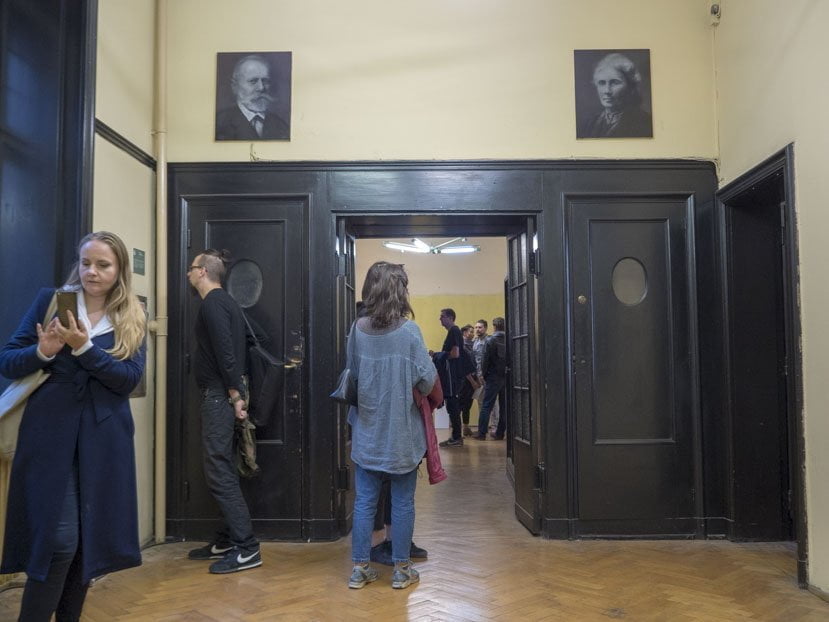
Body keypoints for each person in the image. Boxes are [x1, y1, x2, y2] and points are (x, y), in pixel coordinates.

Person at [0, 231, 146, 621]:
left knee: (86, 547)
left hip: (105, 439)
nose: (92, 272)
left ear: (119, 270)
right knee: (59, 543)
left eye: (103, 265)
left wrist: (84, 348)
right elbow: (8, 360)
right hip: (48, 435)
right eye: (85, 263)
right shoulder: (52, 301)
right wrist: (42, 351)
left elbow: (128, 380)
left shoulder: (132, 314)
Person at [347, 261, 436, 590]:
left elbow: (352, 375)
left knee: (364, 501)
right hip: (402, 433)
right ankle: (401, 569)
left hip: (367, 430)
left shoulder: (357, 329)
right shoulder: (410, 332)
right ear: (400, 291)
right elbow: (427, 381)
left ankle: (360, 568)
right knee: (402, 502)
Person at [186, 248, 261, 574]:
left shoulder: (213, 303)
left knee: (219, 471)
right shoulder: (228, 302)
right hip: (224, 394)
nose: (188, 273)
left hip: (220, 397)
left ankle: (247, 548)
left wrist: (234, 393)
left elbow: (225, 350)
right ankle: (227, 540)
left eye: (192, 268)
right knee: (225, 468)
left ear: (203, 271)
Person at [215, 54, 290, 141]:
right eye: (253, 81)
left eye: (265, 81)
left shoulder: (281, 125)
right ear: (235, 86)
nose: (261, 88)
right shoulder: (219, 123)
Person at [579, 52, 652, 139]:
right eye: (602, 83)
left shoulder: (644, 123)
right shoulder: (590, 124)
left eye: (615, 82)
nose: (607, 91)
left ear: (630, 87)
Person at [433, 309, 466, 448]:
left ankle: (457, 437)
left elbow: (455, 354)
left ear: (451, 317)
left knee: (453, 406)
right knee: (451, 406)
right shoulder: (453, 331)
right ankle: (456, 436)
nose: (440, 319)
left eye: (442, 316)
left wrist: (438, 355)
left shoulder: (454, 331)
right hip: (450, 375)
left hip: (452, 375)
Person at [472, 317, 508, 441]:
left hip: (493, 377)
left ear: (494, 326)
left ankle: (482, 433)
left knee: (486, 405)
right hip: (506, 376)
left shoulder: (491, 340)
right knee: (504, 406)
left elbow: (485, 360)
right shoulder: (509, 339)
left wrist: (483, 375)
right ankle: (500, 433)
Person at [472, 318, 498, 431]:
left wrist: (485, 374)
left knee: (493, 402)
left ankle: (495, 426)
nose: (478, 329)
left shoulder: (490, 340)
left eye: (480, 327)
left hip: (488, 376)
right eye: (476, 327)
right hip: (478, 377)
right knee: (480, 401)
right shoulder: (475, 342)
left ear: (486, 328)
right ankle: (483, 427)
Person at [459, 324, 479, 437]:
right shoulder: (462, 347)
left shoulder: (473, 345)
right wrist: (472, 381)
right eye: (470, 331)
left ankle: (466, 427)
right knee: (461, 404)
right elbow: (464, 366)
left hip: (473, 378)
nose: (473, 333)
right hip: (464, 380)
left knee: (468, 404)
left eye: (472, 331)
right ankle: (458, 430)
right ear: (464, 333)